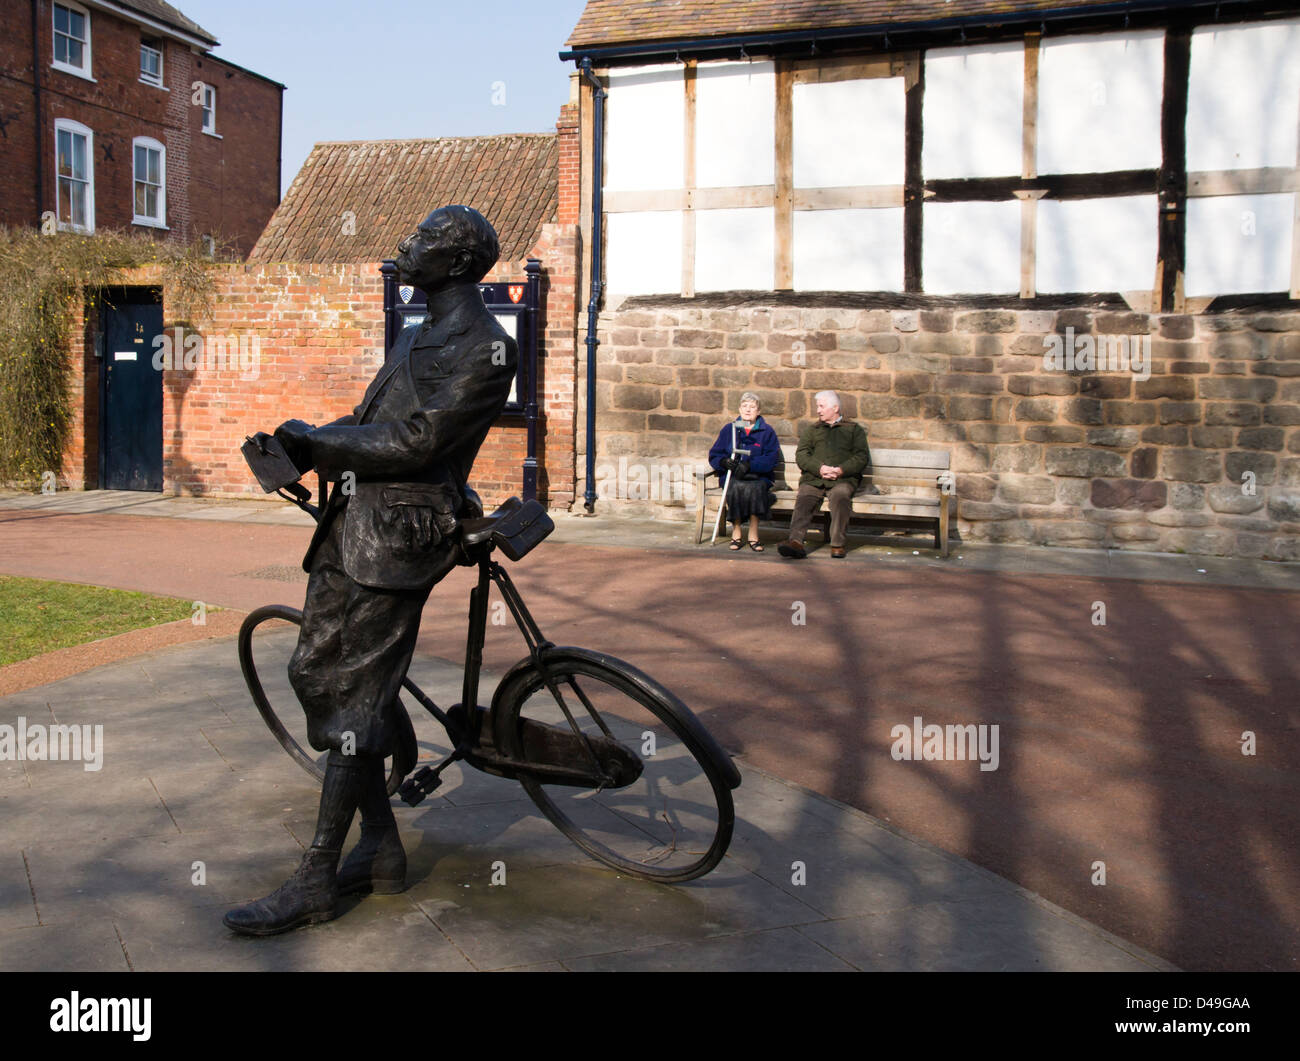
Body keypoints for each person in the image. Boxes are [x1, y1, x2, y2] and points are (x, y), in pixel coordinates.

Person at [224, 205, 517, 936]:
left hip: (401, 539)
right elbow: (378, 422)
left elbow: (422, 440)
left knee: (353, 698)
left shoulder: (487, 348)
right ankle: (382, 846)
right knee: (314, 675)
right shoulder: (421, 330)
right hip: (353, 523)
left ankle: (319, 872)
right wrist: (309, 443)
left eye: (418, 239)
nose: (402, 243)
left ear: (453, 263)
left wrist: (323, 443)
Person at [778, 390, 870, 560]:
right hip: (814, 478)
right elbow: (802, 455)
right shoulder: (812, 430)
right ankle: (796, 542)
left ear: (835, 408)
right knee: (804, 497)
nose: (818, 410)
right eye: (818, 407)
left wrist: (841, 469)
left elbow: (861, 456)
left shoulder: (853, 430)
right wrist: (819, 468)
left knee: (840, 496)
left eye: (821, 406)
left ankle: (837, 544)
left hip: (843, 479)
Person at [708, 392, 780, 551]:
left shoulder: (767, 432)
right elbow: (715, 454)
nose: (748, 410)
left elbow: (771, 458)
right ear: (740, 409)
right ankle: (737, 532)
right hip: (734, 476)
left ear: (758, 411)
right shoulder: (730, 429)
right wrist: (724, 462)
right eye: (745, 406)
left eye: (752, 407)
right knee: (734, 487)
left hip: (757, 476)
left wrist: (751, 465)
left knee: (756, 488)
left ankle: (753, 534)